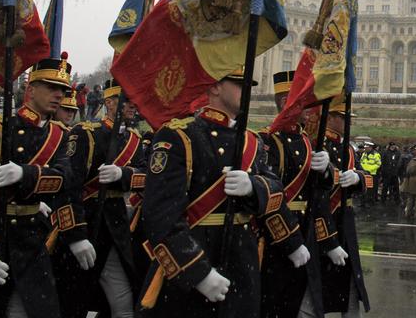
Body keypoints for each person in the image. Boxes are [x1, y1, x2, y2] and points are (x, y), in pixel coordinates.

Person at [138, 66, 308, 318]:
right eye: (241, 85)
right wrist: (198, 273)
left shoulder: (252, 141)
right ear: (215, 86)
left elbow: (275, 188)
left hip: (243, 265)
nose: (248, 92)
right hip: (195, 262)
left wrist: (254, 187)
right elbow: (160, 216)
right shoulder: (179, 136)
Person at [0, 56, 73, 318]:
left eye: (62, 90)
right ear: (30, 89)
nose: (59, 95)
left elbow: (64, 179)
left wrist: (25, 174)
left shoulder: (59, 135)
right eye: (51, 88)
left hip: (32, 241)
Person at [57, 78, 147, 318]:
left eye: (134, 101)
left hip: (116, 227)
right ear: (109, 102)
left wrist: (124, 174)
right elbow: (69, 187)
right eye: (126, 101)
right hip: (87, 221)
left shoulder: (135, 139)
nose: (132, 106)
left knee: (124, 299)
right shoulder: (86, 134)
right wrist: (75, 234)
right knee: (73, 295)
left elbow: (147, 176)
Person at [258, 70, 333, 318]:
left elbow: (319, 193)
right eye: (303, 102)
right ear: (285, 103)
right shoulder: (266, 141)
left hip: (304, 231)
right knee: (271, 302)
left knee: (294, 300)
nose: (309, 110)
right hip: (274, 238)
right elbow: (268, 198)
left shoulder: (306, 141)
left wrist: (325, 172)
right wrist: (289, 242)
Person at [313, 95, 371, 318]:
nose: (348, 122)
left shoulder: (347, 147)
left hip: (345, 221)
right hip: (325, 219)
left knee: (349, 282)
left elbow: (366, 179)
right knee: (320, 284)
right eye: (343, 117)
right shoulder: (319, 144)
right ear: (331, 118)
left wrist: (357, 177)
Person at [359, 143, 381, 208]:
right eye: (365, 147)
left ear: (370, 148)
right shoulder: (364, 154)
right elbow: (361, 162)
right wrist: (363, 169)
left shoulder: (376, 155)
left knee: (370, 189)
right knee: (363, 187)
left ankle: (369, 202)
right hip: (364, 173)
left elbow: (378, 164)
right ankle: (362, 202)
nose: (365, 148)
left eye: (366, 147)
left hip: (372, 174)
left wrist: (369, 169)